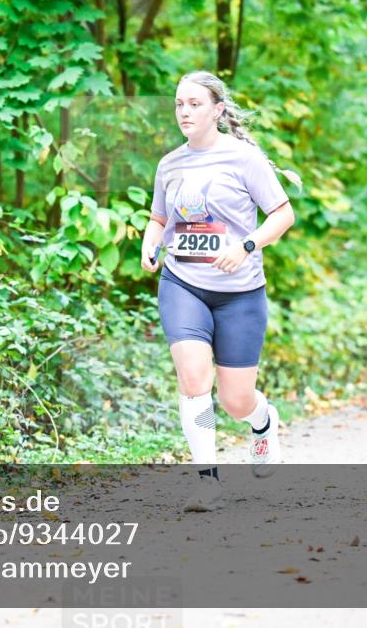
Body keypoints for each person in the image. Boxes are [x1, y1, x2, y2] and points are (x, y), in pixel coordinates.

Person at [141, 70, 296, 512]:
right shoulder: (170, 164)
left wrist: (246, 246)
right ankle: (207, 481)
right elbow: (158, 218)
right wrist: (150, 244)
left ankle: (263, 422)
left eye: (195, 104)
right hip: (183, 284)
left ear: (218, 110)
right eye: (179, 104)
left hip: (240, 294)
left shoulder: (244, 158)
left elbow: (282, 215)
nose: (185, 112)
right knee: (193, 379)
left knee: (235, 400)